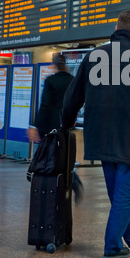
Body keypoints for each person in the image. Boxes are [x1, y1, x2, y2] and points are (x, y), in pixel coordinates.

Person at [61, 10, 130, 258]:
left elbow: (73, 96)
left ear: (116, 27)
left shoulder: (94, 56)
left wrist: (66, 123)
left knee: (119, 191)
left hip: (99, 134)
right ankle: (112, 246)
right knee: (124, 193)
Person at [27, 52, 84, 203]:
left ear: (54, 65)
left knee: (45, 156)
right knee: (63, 156)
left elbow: (44, 105)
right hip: (65, 125)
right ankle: (72, 181)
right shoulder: (72, 80)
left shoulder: (50, 81)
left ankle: (45, 185)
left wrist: (34, 125)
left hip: (48, 126)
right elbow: (76, 102)